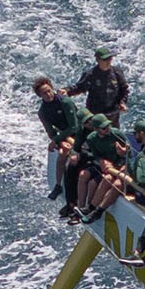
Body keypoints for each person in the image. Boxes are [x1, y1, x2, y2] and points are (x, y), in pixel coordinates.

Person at [33, 77, 84, 207]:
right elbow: (50, 132)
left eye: (49, 91)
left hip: (79, 133)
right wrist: (59, 142)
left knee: (67, 153)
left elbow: (74, 126)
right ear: (40, 96)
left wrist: (56, 140)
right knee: (62, 152)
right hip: (64, 137)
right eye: (44, 93)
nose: (48, 94)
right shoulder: (42, 112)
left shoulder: (65, 102)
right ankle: (58, 185)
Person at [73, 114, 130, 218]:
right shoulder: (91, 138)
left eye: (108, 126)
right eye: (103, 128)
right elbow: (95, 154)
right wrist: (101, 161)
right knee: (85, 177)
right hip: (104, 166)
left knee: (105, 179)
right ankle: (82, 208)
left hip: (118, 165)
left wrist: (123, 152)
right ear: (96, 129)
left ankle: (91, 209)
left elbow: (130, 154)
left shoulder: (117, 134)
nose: (107, 129)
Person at [64, 48, 129, 124]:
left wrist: (122, 102)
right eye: (105, 59)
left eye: (110, 58)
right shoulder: (90, 75)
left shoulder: (117, 72)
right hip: (95, 115)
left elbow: (124, 90)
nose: (108, 61)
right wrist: (67, 91)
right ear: (98, 60)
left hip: (113, 115)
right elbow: (79, 88)